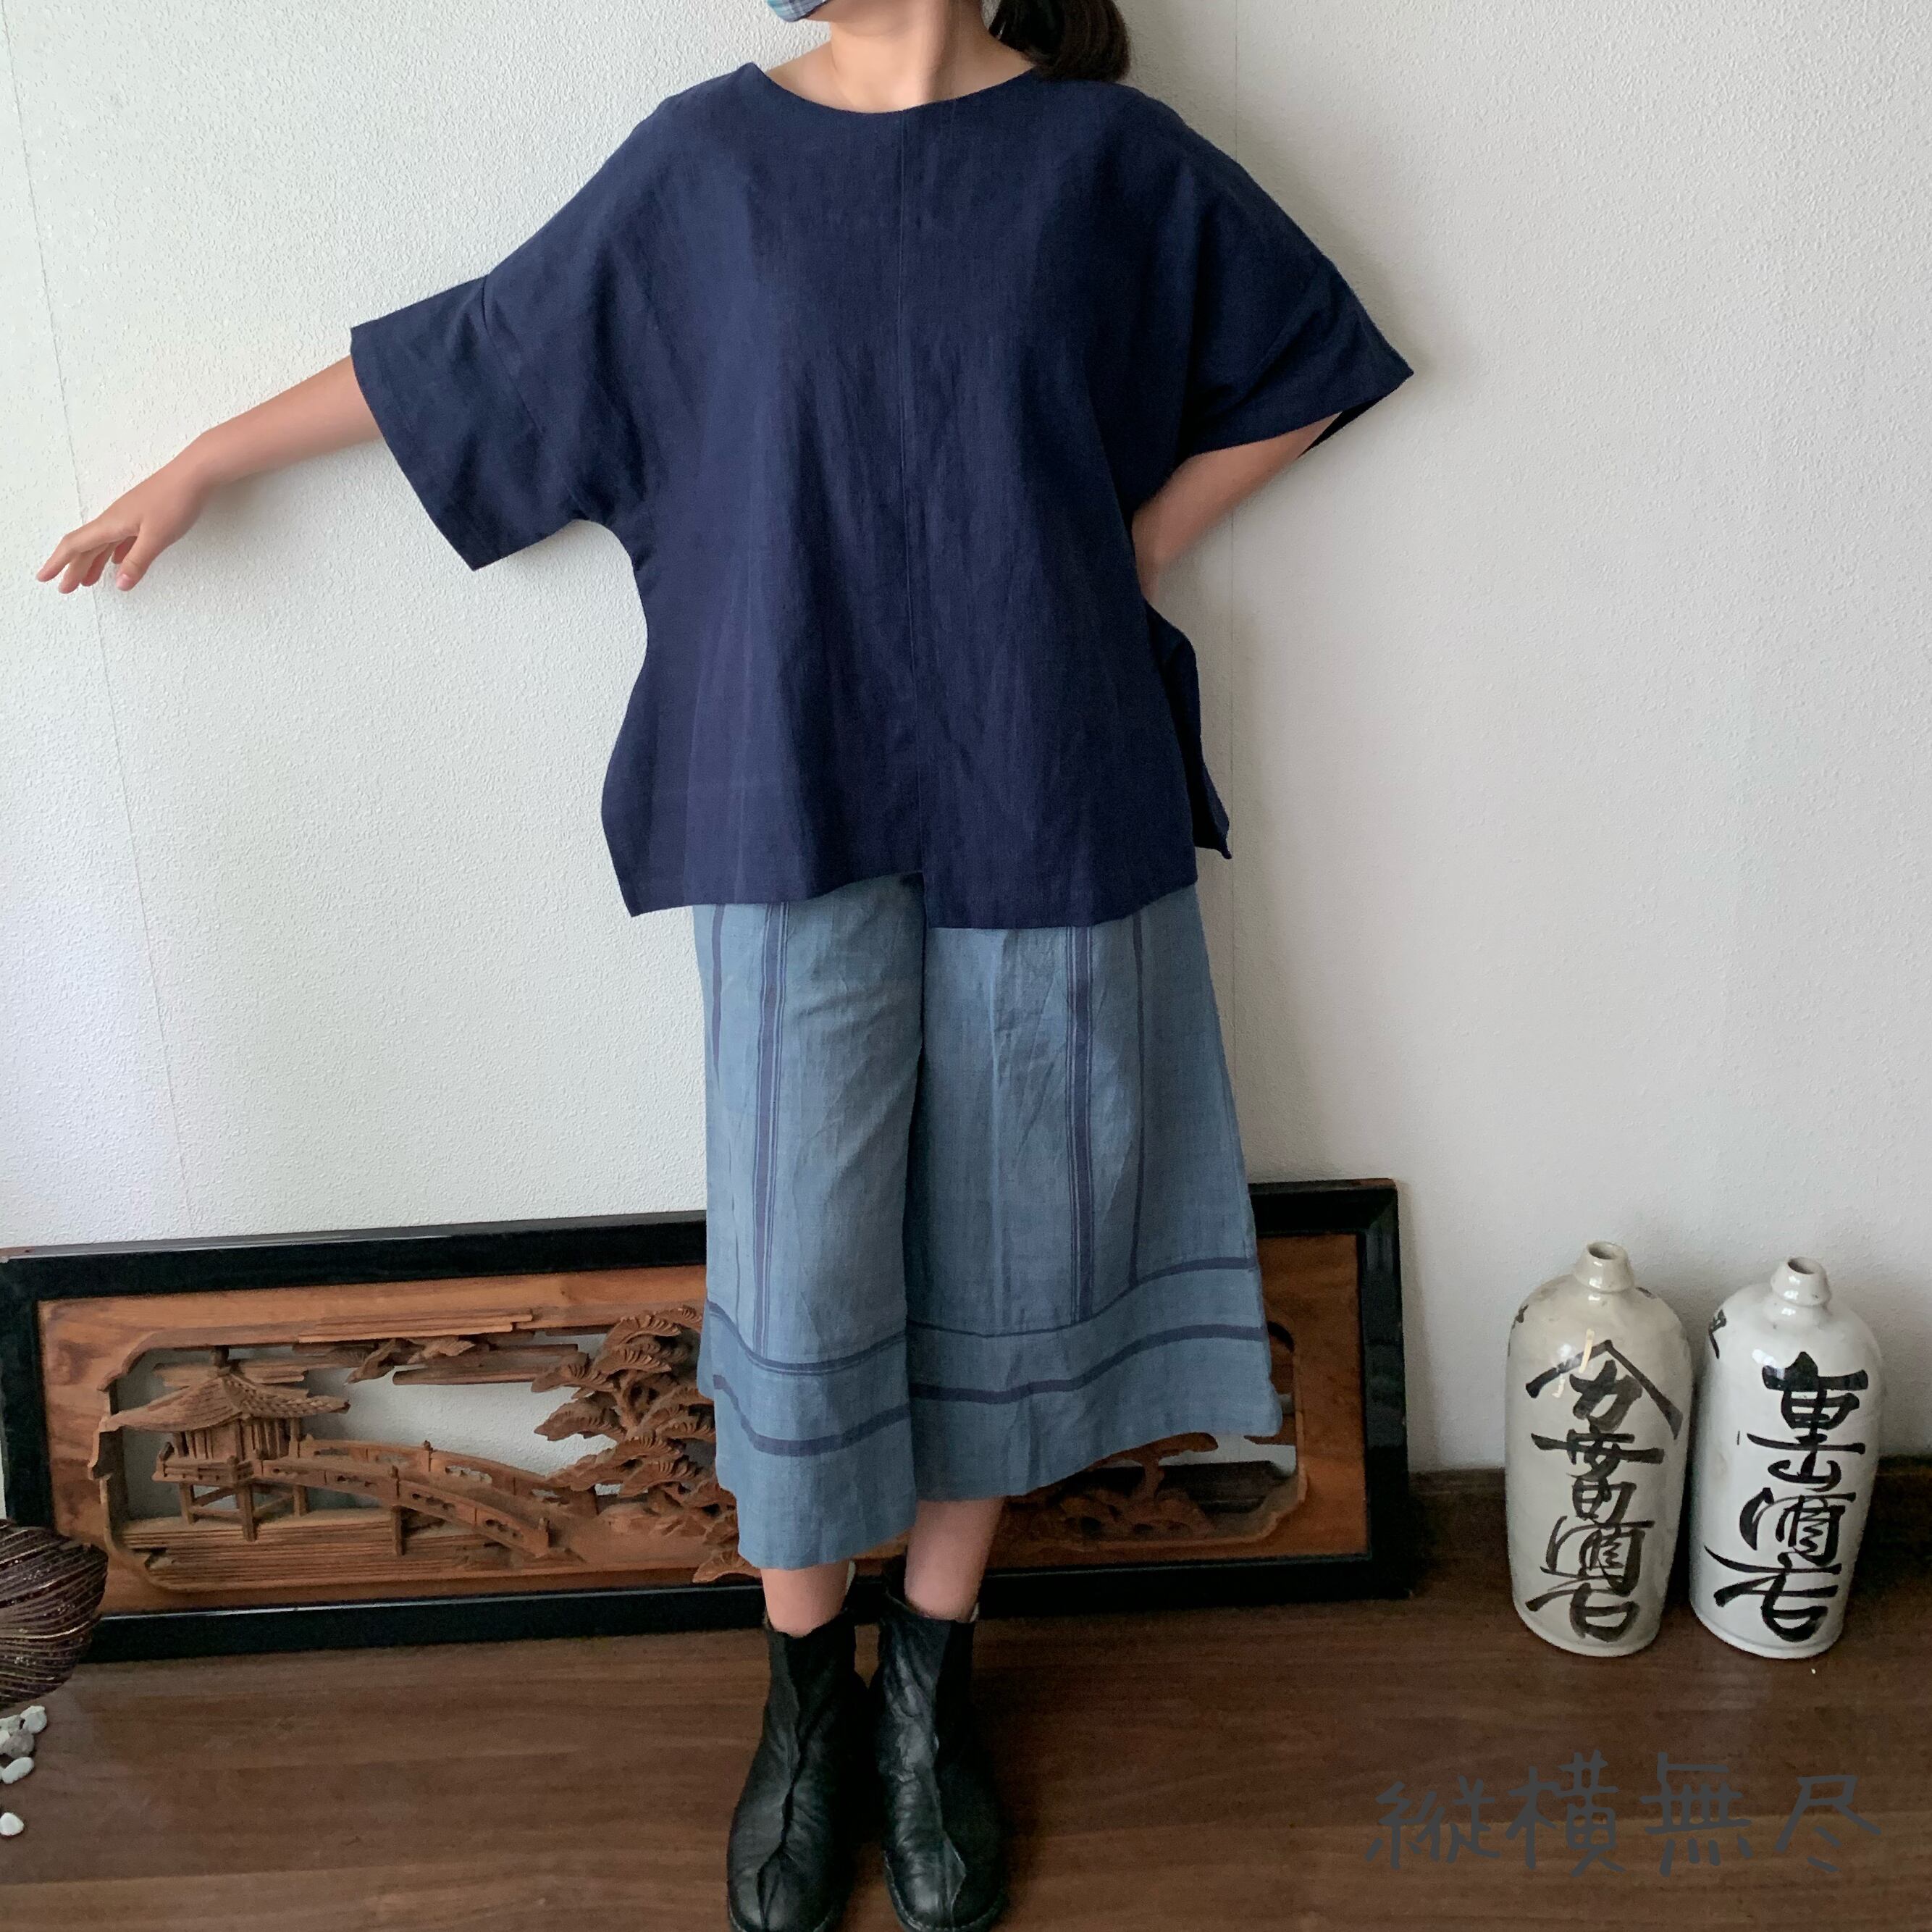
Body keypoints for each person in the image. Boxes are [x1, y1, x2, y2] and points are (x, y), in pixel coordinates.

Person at [37, 2, 1411, 1927]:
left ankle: (929, 1685)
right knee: (803, 1250)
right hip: (785, 785)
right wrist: (209, 456)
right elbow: (489, 346)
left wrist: (1131, 550)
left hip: (1053, 767)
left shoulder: (1110, 163)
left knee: (1019, 1233)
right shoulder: (706, 166)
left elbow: (1308, 352)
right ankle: (802, 1690)